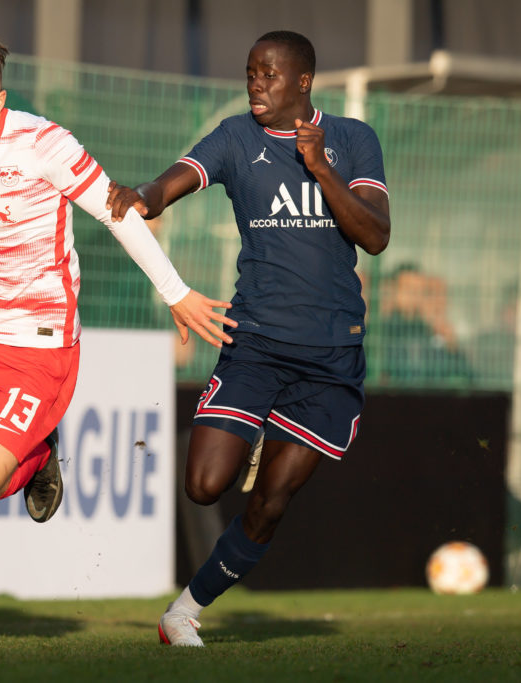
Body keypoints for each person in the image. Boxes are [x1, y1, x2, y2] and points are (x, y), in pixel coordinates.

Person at [0, 29, 235, 646]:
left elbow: (116, 211)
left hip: (38, 345)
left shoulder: (44, 142)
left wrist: (176, 291)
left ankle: (38, 456)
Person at [107, 30, 390, 647]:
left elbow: (375, 235)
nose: (255, 84)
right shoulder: (237, 137)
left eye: (269, 74)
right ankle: (258, 426)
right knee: (204, 486)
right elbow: (175, 178)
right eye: (250, 73)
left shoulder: (352, 139)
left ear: (304, 81)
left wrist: (319, 168)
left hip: (331, 356)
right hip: (257, 341)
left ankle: (182, 613)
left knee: (269, 505)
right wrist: (144, 197)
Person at [374, 263, 471, 383]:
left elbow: (463, 373)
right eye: (409, 290)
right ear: (394, 291)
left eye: (419, 291)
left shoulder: (428, 330)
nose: (415, 296)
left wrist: (452, 347)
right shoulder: (381, 330)